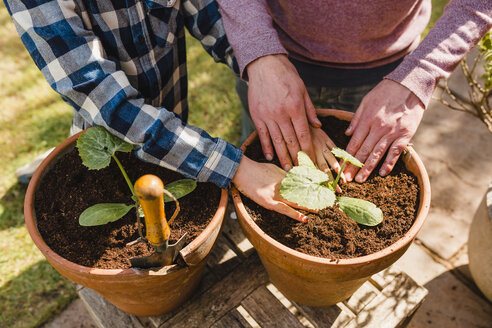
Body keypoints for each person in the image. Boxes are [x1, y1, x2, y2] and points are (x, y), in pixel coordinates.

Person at [5, 0, 308, 222]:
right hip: (111, 160)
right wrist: (236, 167)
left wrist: (260, 67)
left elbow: (206, 14)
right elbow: (107, 102)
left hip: (177, 143)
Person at [217, 0, 492, 182]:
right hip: (271, 62)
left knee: (359, 175)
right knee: (263, 160)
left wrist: (421, 73)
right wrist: (258, 51)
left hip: (389, 75)